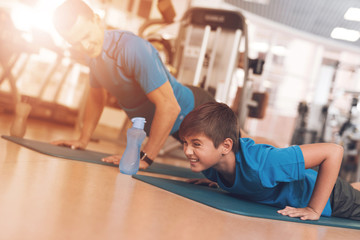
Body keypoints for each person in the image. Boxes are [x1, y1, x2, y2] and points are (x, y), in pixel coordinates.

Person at [51, 0, 274, 170]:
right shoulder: (94, 56)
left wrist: (146, 157)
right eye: (76, 42)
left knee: (245, 149)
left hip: (196, 110)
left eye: (87, 36)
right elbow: (95, 97)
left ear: (97, 21)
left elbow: (170, 107)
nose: (85, 45)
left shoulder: (131, 48)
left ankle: (288, 155)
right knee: (240, 153)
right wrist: (83, 139)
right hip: (177, 126)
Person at [179, 102, 360, 221]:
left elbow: (334, 151)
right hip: (318, 184)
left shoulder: (263, 165)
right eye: (185, 143)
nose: (187, 151)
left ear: (226, 146)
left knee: (350, 193)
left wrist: (313, 209)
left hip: (335, 199)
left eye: (196, 144)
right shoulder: (211, 166)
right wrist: (219, 179)